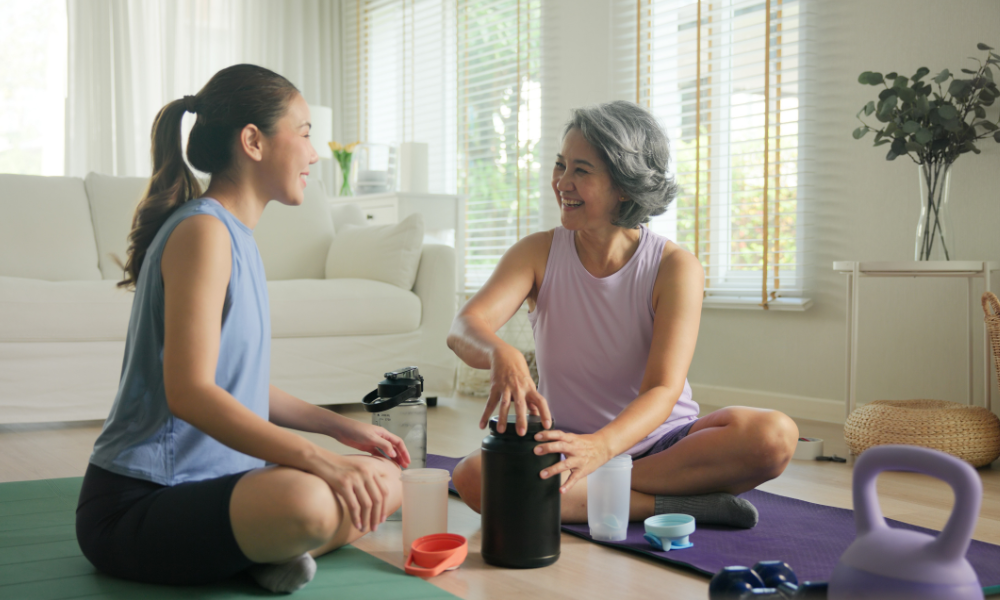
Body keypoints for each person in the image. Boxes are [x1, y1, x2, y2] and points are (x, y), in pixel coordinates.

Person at [75, 64, 409, 594]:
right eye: (303, 134)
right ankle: (264, 542)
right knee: (312, 501)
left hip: (221, 488)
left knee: (385, 481)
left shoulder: (237, 238)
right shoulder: (202, 232)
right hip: (140, 503)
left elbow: (239, 386)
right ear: (253, 141)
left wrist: (338, 428)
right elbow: (190, 394)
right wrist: (320, 461)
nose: (314, 154)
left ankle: (256, 548)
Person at [448, 100, 798, 529]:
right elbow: (464, 327)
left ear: (625, 186)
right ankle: (669, 505)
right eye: (560, 165)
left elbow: (663, 389)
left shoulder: (674, 267)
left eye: (581, 170)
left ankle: (590, 493)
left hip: (662, 444)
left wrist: (602, 450)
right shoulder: (537, 253)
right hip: (566, 443)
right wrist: (503, 353)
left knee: (774, 435)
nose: (562, 182)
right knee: (471, 478)